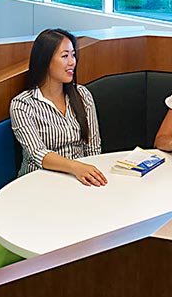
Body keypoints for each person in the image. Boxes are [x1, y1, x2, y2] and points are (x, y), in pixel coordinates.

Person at [9, 29, 107, 186]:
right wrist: (75, 167)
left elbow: (93, 148)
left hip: (79, 180)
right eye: (65, 56)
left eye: (73, 55)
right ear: (45, 60)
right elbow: (38, 154)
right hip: (38, 183)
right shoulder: (22, 105)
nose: (72, 62)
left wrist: (91, 176)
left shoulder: (82, 94)